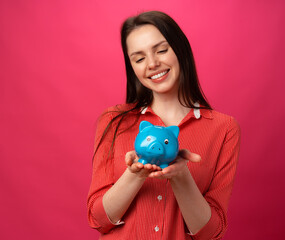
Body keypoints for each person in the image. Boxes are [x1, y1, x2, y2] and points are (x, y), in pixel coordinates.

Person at [87, 11, 241, 240]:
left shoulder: (224, 128)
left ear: (180, 49)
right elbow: (98, 219)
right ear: (132, 68)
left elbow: (211, 233)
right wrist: (135, 174)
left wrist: (181, 177)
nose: (152, 63)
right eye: (139, 59)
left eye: (161, 50)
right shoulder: (113, 120)